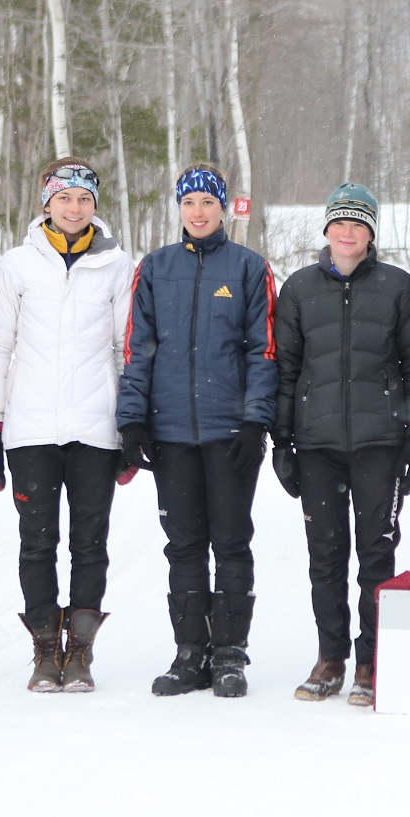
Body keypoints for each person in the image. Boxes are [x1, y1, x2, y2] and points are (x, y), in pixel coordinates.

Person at [119, 163, 278, 699]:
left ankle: (229, 654)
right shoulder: (155, 268)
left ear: (223, 207)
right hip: (170, 433)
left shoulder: (249, 268)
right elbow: (138, 349)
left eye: (208, 202)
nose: (198, 212)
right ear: (179, 208)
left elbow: (263, 351)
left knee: (231, 541)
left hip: (229, 431)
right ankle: (190, 653)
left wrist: (255, 421)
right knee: (184, 545)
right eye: (189, 202)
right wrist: (132, 419)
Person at [0, 158, 134, 693]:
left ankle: (81, 652)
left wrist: (129, 425)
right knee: (37, 543)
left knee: (90, 544)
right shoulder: (16, 266)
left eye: (84, 198)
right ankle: (46, 650)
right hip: (31, 430)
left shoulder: (116, 266)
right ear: (47, 203)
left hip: (95, 429)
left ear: (95, 205)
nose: (74, 207)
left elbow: (126, 350)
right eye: (64, 197)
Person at [275, 184, 410, 706]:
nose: (348, 232)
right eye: (340, 223)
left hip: (379, 444)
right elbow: (285, 371)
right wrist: (282, 441)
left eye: (358, 223)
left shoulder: (399, 288)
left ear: (371, 232)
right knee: (325, 555)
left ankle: (370, 660)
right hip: (316, 445)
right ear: (326, 229)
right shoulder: (298, 289)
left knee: (375, 553)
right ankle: (331, 658)